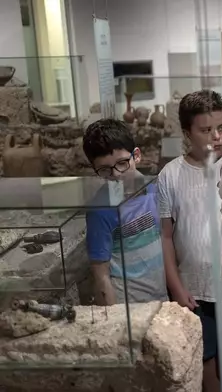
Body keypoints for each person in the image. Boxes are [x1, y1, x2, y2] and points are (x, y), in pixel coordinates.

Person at [156, 90, 222, 392]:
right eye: (206, 130)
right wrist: (177, 287)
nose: (217, 137)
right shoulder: (170, 175)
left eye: (221, 128)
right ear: (187, 133)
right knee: (205, 368)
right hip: (193, 289)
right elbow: (165, 237)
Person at [83, 119, 168, 305]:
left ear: (136, 155)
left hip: (164, 298)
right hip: (129, 306)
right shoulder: (100, 210)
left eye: (122, 163)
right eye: (105, 170)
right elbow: (101, 275)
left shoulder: (157, 189)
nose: (116, 175)